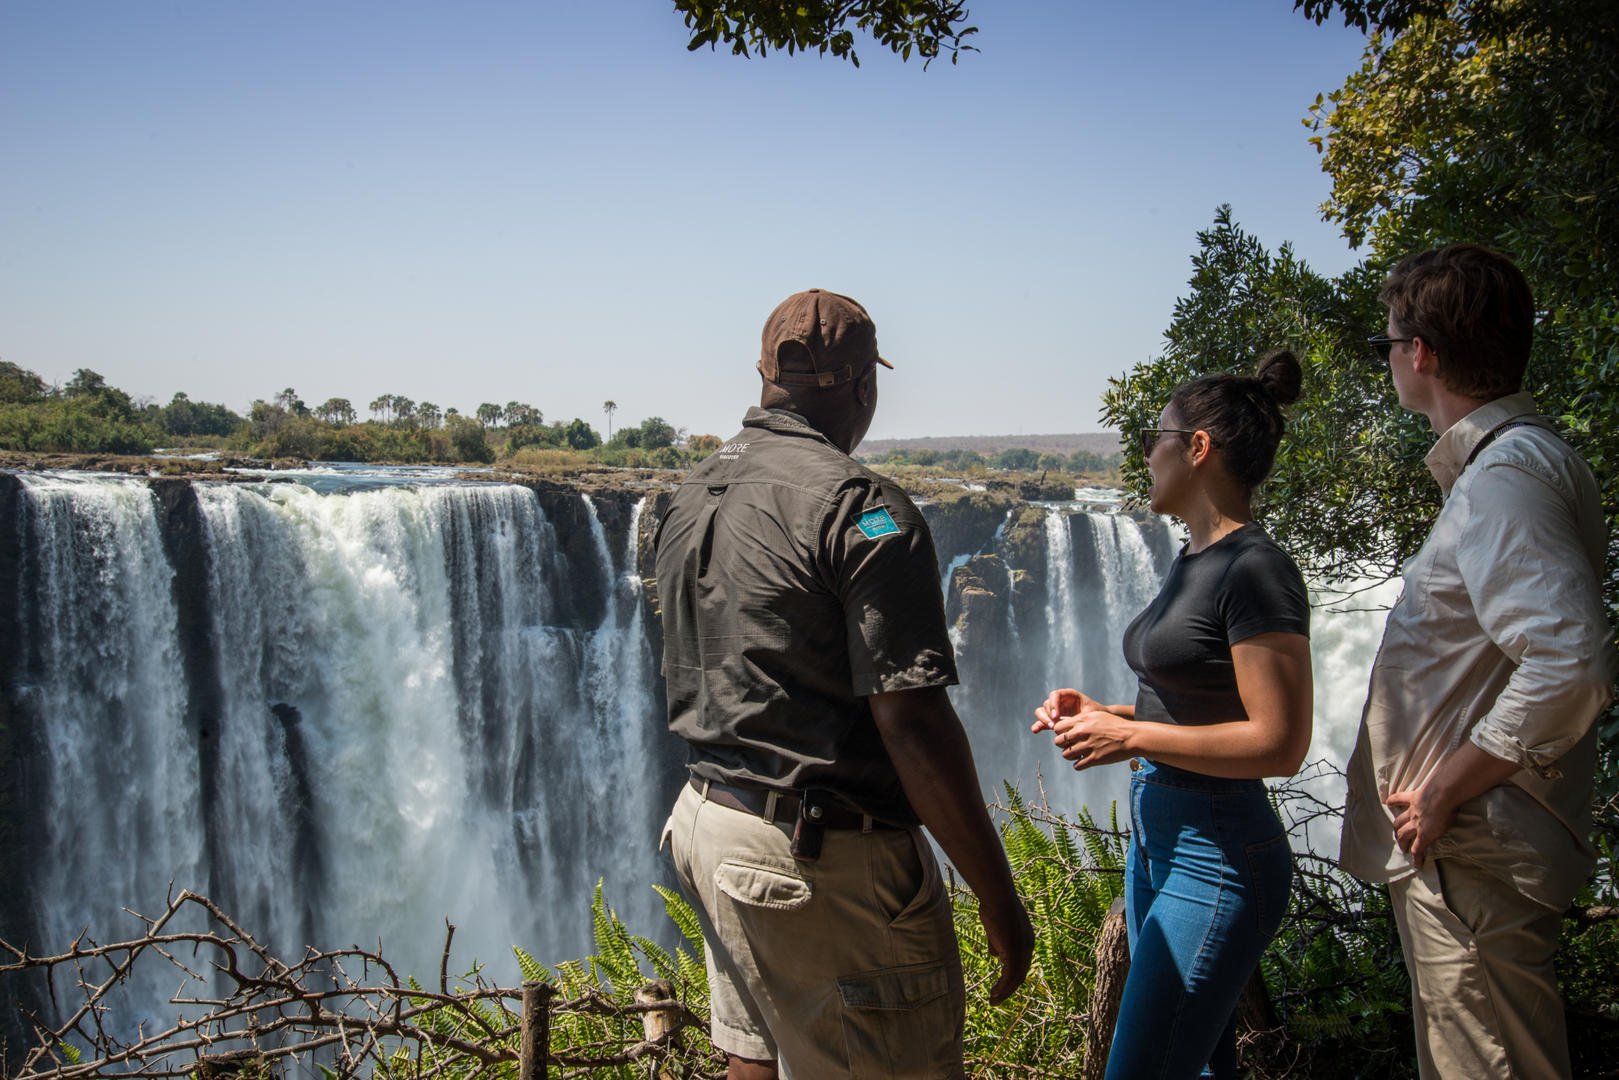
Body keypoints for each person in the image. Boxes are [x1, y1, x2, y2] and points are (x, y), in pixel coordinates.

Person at [654, 288, 1034, 1080]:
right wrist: (998, 901)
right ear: (864, 386)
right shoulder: (859, 507)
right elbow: (913, 723)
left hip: (706, 824)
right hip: (815, 861)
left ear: (763, 376)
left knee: (753, 1060)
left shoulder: (688, 493)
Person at [1338, 244, 1616, 1079]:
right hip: (1470, 849)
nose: (1389, 360)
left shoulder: (1504, 475)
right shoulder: (1521, 462)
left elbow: (1569, 662)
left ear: (1418, 354)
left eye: (1386, 343)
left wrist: (1443, 786)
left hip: (1468, 846)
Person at [1033, 350, 1314, 1080]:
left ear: (1196, 448)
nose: (1144, 452)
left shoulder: (1255, 568)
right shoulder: (1193, 558)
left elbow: (1278, 742)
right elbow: (1201, 702)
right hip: (1158, 843)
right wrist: (1107, 710)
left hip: (1216, 855)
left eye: (1156, 435)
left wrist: (1127, 735)